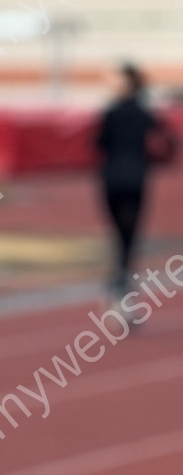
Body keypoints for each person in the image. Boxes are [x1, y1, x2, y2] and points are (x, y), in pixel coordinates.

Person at [96, 64, 177, 300]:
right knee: (130, 231)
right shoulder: (145, 114)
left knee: (118, 230)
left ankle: (120, 276)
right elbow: (168, 143)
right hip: (136, 178)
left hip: (112, 178)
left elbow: (99, 144)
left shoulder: (111, 113)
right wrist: (151, 159)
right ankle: (124, 275)